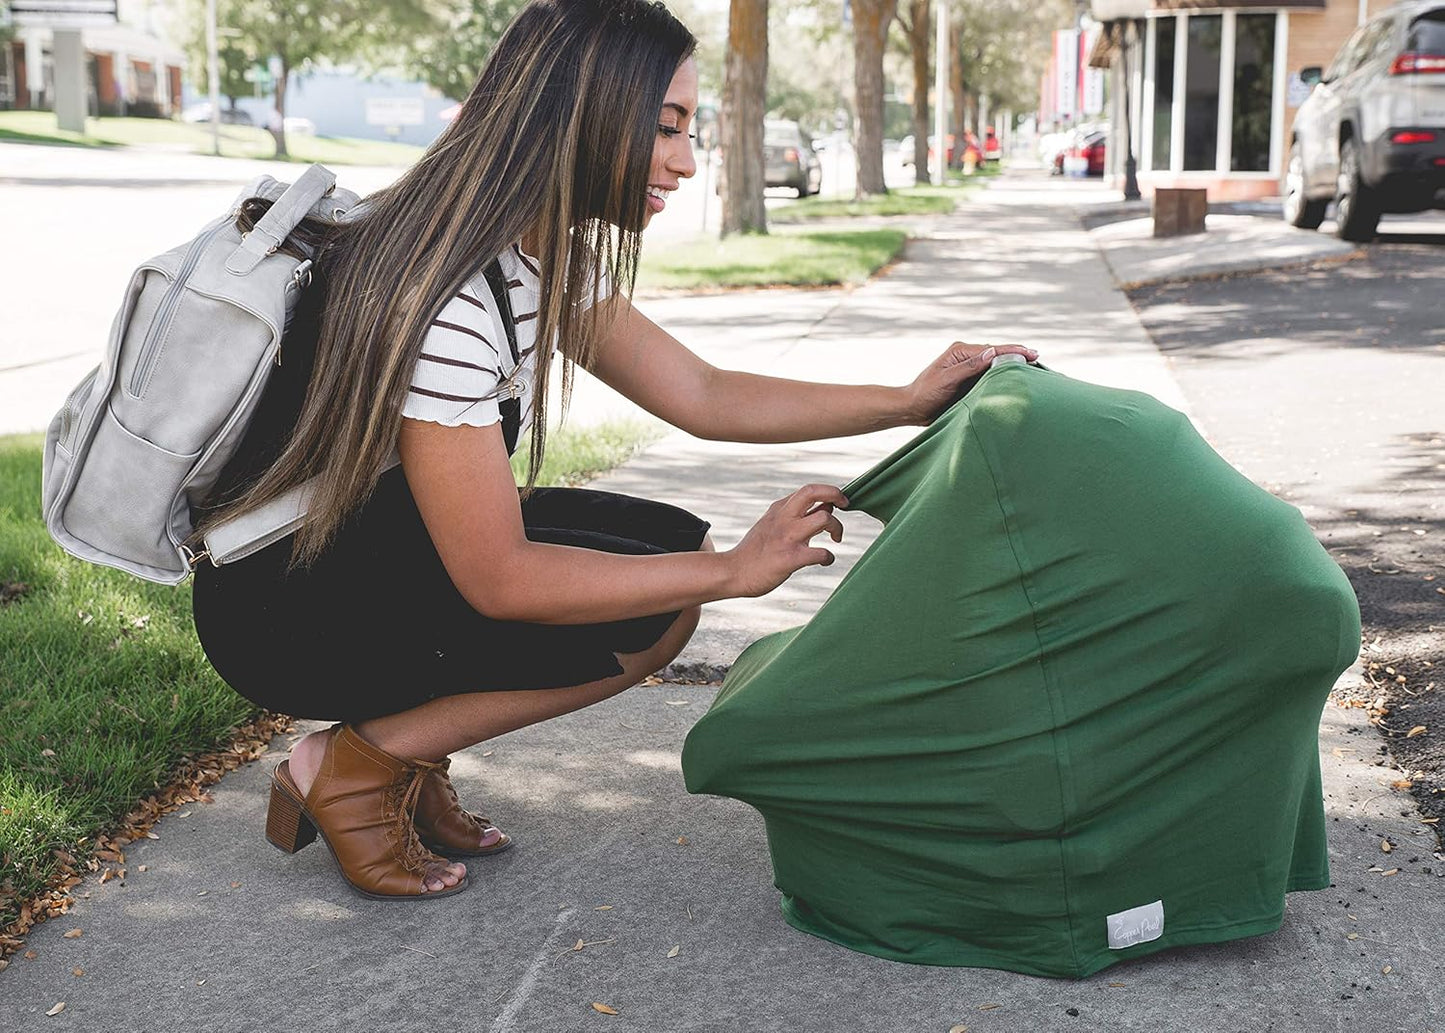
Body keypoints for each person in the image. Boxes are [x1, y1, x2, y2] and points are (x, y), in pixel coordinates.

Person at [190, 0, 1037, 901]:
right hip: (285, 605)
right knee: (657, 605)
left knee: (669, 551)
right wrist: (734, 573)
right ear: (577, 112)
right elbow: (501, 581)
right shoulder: (448, 300)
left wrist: (905, 402)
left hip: (357, 549)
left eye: (689, 128)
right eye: (665, 126)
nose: (686, 159)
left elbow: (702, 393)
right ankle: (358, 765)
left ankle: (402, 753)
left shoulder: (529, 250)